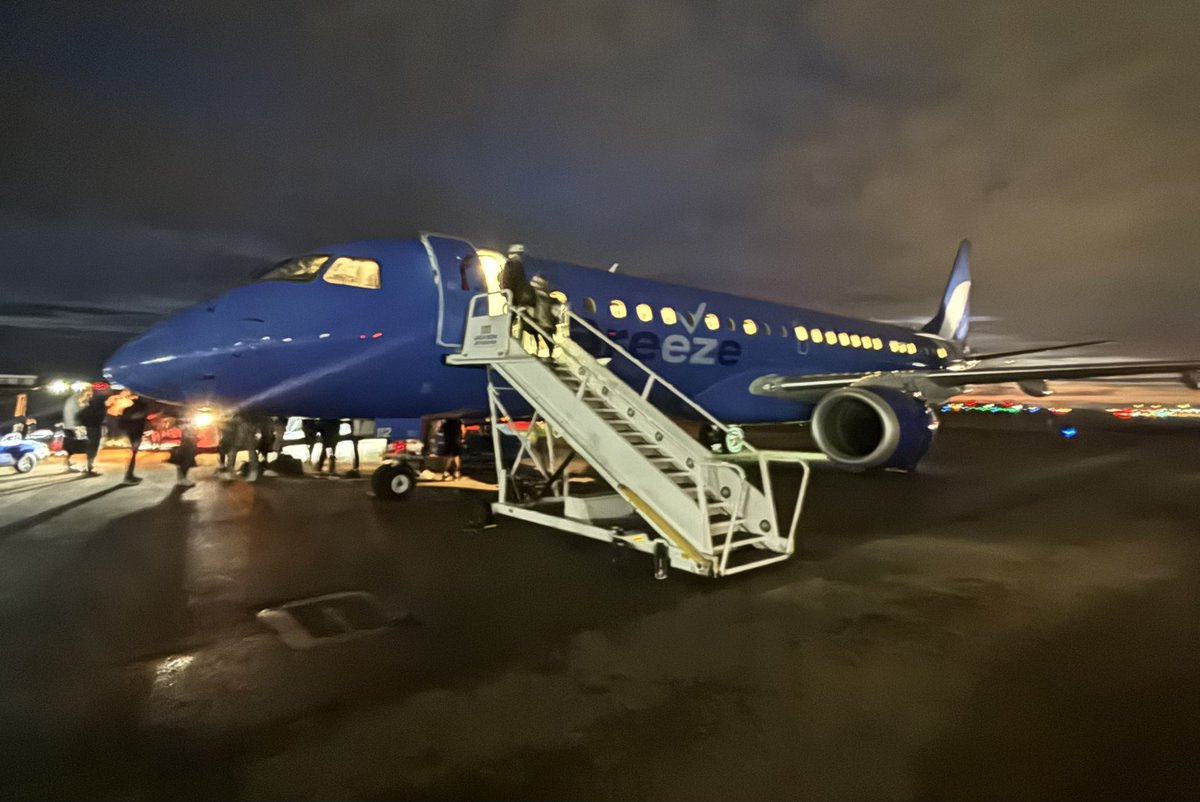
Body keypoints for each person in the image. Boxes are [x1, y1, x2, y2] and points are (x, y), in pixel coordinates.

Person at [118, 394, 150, 484]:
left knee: (132, 455)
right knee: (132, 456)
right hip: (134, 434)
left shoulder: (130, 408)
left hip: (131, 433)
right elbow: (135, 417)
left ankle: (129, 475)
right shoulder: (141, 408)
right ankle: (128, 476)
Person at [77, 386, 108, 476]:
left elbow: (80, 416)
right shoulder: (99, 404)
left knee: (91, 446)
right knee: (93, 446)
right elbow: (102, 415)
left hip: (90, 427)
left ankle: (89, 466)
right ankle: (89, 468)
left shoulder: (89, 405)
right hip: (95, 427)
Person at [167, 420, 198, 487]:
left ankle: (181, 478)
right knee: (186, 459)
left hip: (188, 439)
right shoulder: (185, 424)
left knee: (186, 459)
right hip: (187, 440)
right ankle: (182, 479)